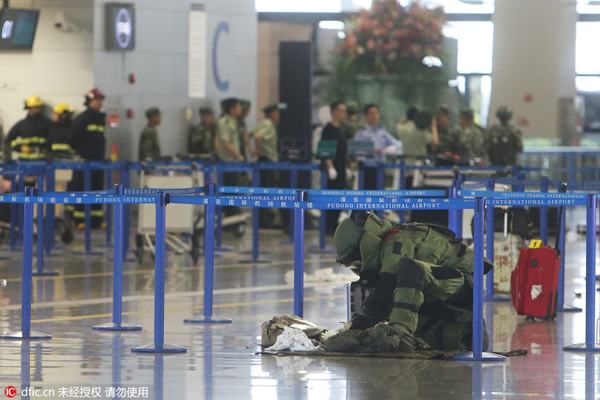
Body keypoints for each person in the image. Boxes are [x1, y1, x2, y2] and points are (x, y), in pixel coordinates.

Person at [324, 211, 493, 353]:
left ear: (364, 244)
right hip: (456, 313)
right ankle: (464, 336)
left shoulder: (398, 239)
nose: (357, 268)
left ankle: (400, 334)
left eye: (355, 263)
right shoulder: (388, 250)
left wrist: (359, 325)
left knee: (409, 269)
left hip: (465, 286)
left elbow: (386, 287)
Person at [67, 88, 107, 228]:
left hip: (98, 163)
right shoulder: (82, 118)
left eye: (101, 100)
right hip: (85, 163)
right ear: (89, 101)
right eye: (97, 100)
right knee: (82, 190)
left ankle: (95, 221)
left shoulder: (100, 118)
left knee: (97, 190)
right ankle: (79, 220)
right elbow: (72, 139)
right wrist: (81, 155)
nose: (100, 102)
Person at [354, 104, 398, 190]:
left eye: (376, 113)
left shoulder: (383, 132)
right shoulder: (361, 133)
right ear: (365, 116)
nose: (374, 116)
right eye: (371, 113)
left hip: (380, 167)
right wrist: (371, 151)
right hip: (366, 168)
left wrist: (386, 150)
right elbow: (356, 149)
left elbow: (395, 144)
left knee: (379, 195)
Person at [321, 101, 347, 235]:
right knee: (330, 197)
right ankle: (328, 226)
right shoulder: (328, 129)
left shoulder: (339, 129)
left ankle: (334, 224)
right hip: (332, 170)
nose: (344, 113)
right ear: (334, 112)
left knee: (339, 197)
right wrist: (330, 167)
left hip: (341, 168)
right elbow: (325, 150)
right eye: (341, 110)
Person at [254, 102, 281, 228]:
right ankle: (263, 221)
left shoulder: (263, 123)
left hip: (264, 160)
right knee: (265, 190)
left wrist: (253, 151)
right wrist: (258, 152)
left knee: (263, 190)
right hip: (267, 160)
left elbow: (248, 135)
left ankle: (262, 219)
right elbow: (258, 137)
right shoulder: (268, 124)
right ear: (272, 113)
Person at [216, 97, 244, 216]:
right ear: (232, 109)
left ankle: (231, 212)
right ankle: (228, 213)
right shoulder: (225, 122)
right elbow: (225, 142)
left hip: (232, 161)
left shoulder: (233, 122)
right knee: (228, 189)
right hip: (227, 161)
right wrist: (238, 155)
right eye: (238, 107)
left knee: (233, 187)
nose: (240, 109)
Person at [5, 95, 52, 161]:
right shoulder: (22, 124)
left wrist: (47, 149)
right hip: (24, 160)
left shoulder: (47, 124)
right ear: (29, 108)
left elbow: (53, 139)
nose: (38, 109)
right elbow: (9, 140)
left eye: (39, 107)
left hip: (42, 160)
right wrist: (21, 148)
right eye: (35, 107)